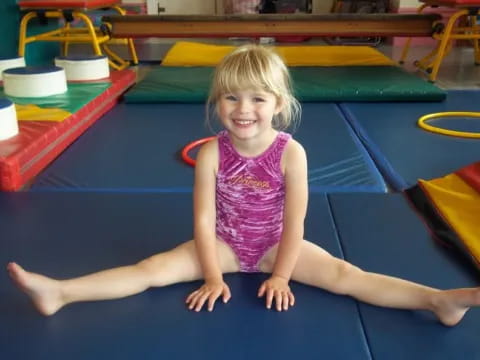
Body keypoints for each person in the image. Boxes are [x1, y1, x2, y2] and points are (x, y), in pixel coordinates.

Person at [6, 45, 480, 326]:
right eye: (231, 97)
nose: (242, 108)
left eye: (257, 98)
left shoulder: (291, 153)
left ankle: (436, 300)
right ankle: (60, 292)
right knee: (150, 268)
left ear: (278, 103)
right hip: (224, 245)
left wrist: (280, 273)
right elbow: (203, 220)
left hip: (277, 244)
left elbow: (295, 224)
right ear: (217, 102)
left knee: (345, 276)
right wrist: (213, 274)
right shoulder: (213, 152)